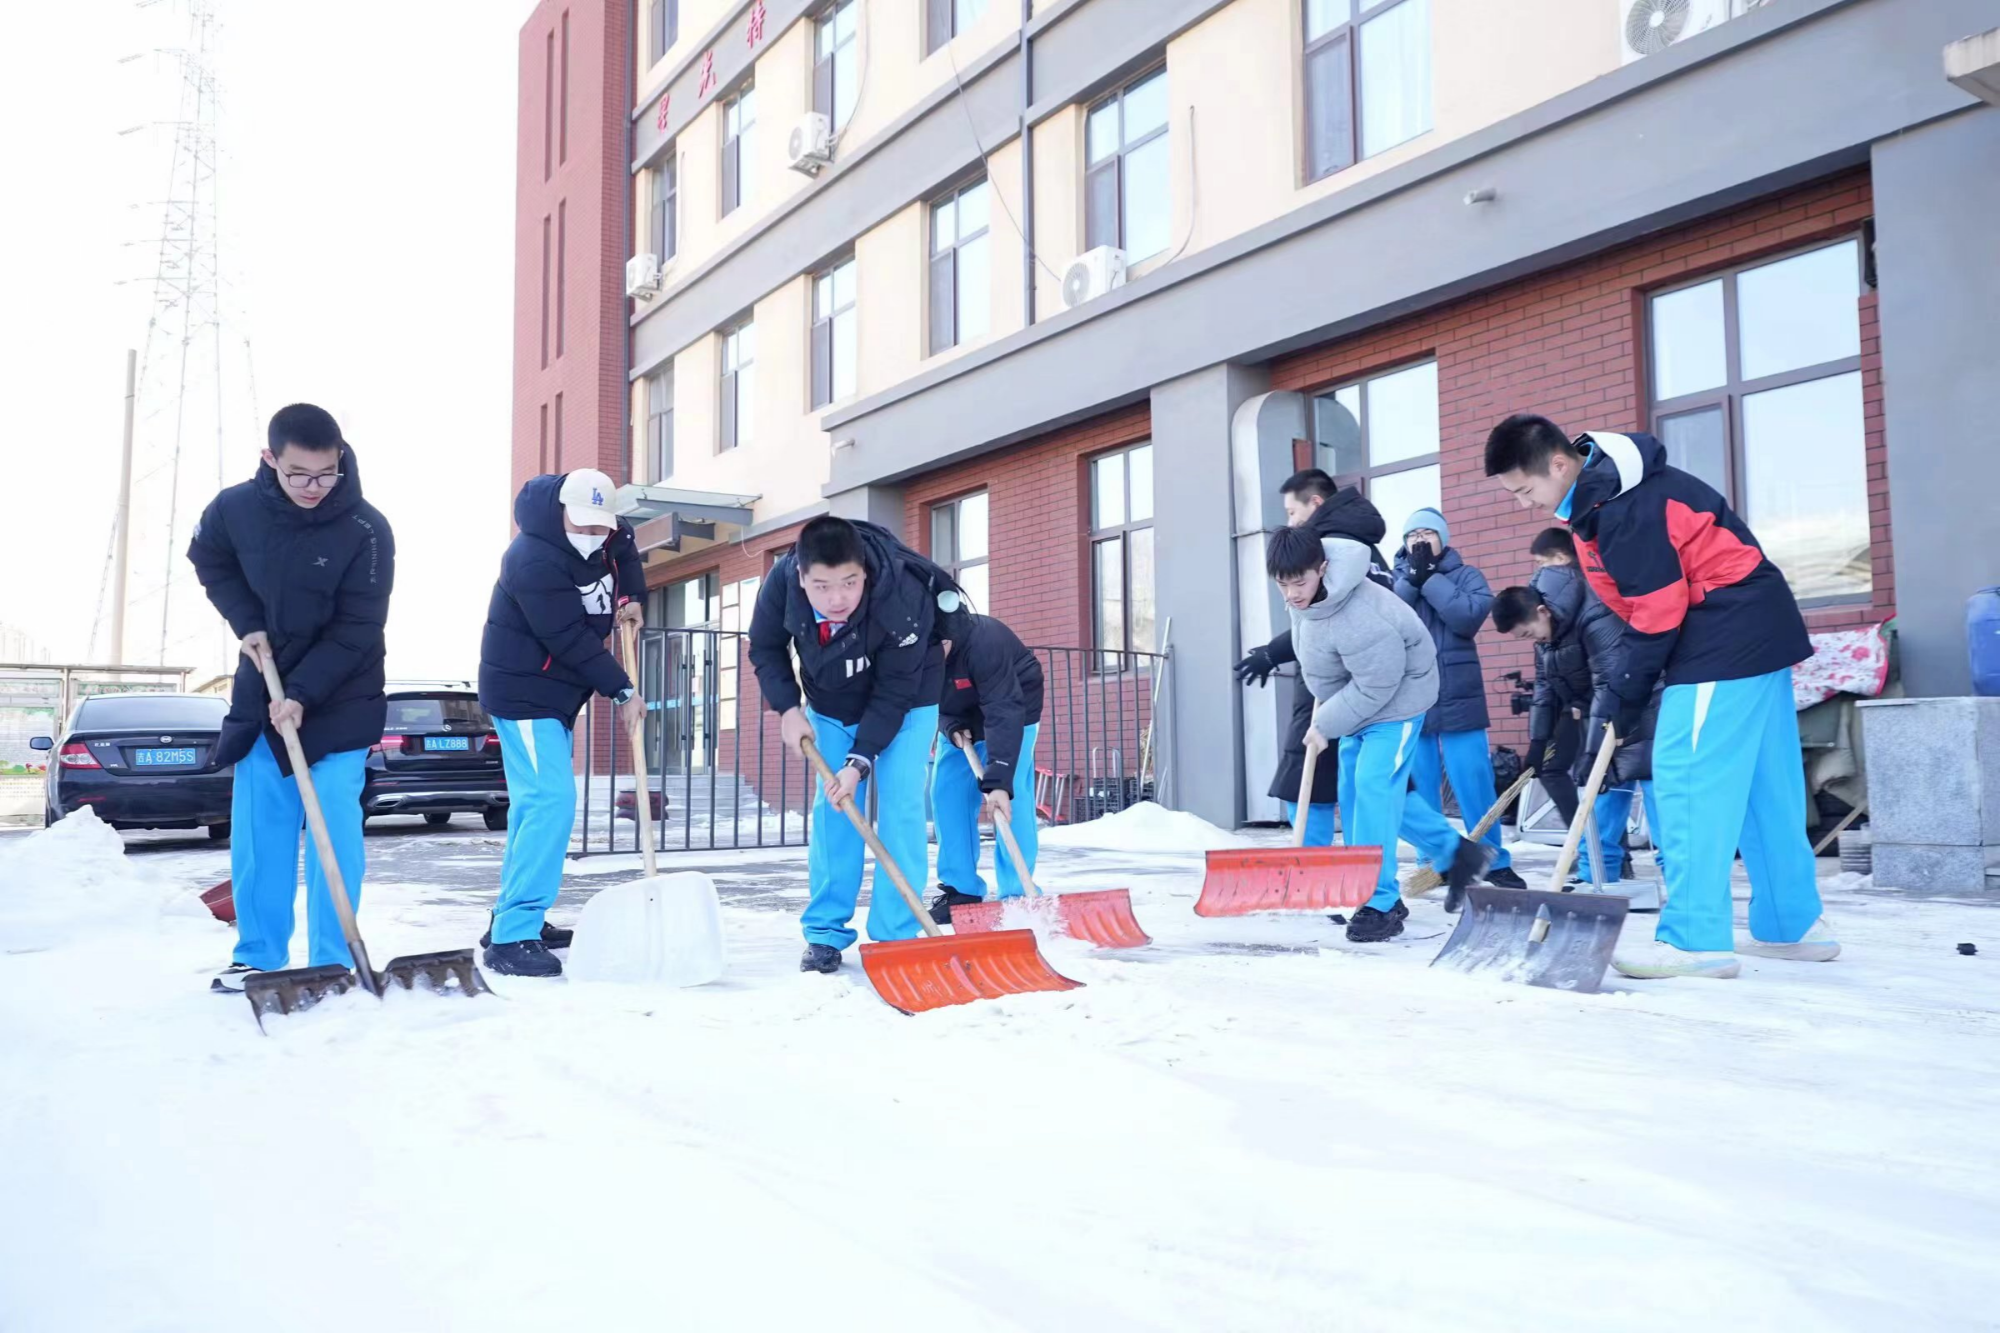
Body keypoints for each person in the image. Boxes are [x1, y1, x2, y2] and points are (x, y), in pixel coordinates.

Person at [1484, 416, 1838, 979]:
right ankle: (1790, 925)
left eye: (1526, 490)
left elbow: (1657, 609)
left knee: (1688, 779)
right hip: (1756, 635)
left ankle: (1695, 939)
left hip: (1721, 640)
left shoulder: (1623, 509)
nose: (1526, 504)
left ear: (1557, 464)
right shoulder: (1614, 494)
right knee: (1761, 789)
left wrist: (1626, 691)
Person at [189, 404, 395, 994]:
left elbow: (360, 626)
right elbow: (210, 560)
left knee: (333, 820)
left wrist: (304, 695)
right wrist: (245, 621)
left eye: (327, 473)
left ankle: (334, 956)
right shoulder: (234, 509)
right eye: (299, 473)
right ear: (269, 459)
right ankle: (259, 953)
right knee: (262, 829)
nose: (314, 487)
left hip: (344, 692)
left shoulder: (366, 529)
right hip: (264, 682)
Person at [748, 516, 954, 974]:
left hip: (907, 702)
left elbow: (893, 693)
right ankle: (825, 933)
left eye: (849, 582)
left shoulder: (903, 595)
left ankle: (896, 934)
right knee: (835, 809)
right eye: (821, 586)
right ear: (800, 576)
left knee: (901, 806)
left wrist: (858, 762)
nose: (836, 598)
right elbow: (765, 647)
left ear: (866, 572)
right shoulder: (781, 583)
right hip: (831, 702)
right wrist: (787, 707)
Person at [1266, 526, 1488, 942]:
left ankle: (1381, 901)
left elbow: (1377, 685)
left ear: (1323, 568)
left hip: (1399, 701)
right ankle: (1456, 853)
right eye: (1283, 584)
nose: (1292, 593)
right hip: (1360, 702)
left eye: (1300, 582)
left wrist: (1325, 723)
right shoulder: (1312, 595)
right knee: (1361, 795)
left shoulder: (1361, 614)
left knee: (1372, 786)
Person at [476, 468, 647, 977]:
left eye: (602, 527)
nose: (594, 537)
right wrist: (623, 690)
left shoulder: (607, 535)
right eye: (585, 526)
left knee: (536, 806)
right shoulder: (531, 559)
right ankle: (511, 937)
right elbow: (568, 638)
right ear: (560, 513)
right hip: (525, 692)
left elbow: (625, 548)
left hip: (555, 696)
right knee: (550, 800)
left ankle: (516, 916)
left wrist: (630, 595)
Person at [1233, 470, 1391, 842]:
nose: (1289, 522)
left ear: (1316, 504)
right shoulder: (1365, 545)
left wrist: (1273, 653)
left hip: (1332, 673)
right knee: (1358, 780)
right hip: (1363, 675)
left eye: (1292, 512)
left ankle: (1312, 862)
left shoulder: (1332, 546)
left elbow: (1325, 619)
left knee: (1307, 770)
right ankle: (1438, 851)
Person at [1392, 509, 1526, 891]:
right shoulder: (1396, 580)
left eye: (1427, 532)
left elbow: (1466, 617)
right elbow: (1393, 621)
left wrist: (1431, 578)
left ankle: (1494, 859)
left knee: (1474, 779)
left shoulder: (1466, 575)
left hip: (1458, 691)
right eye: (1411, 533)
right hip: (1412, 694)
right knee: (1421, 781)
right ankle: (1436, 861)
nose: (1419, 540)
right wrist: (1413, 580)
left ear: (1443, 538)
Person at [927, 613, 1044, 923]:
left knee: (1009, 797)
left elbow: (1004, 709)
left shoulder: (984, 641)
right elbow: (915, 700)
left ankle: (1018, 891)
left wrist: (1000, 779)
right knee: (946, 793)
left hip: (1014, 706)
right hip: (956, 715)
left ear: (947, 639)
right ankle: (961, 889)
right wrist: (948, 723)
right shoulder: (908, 649)